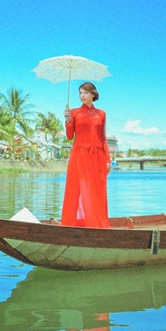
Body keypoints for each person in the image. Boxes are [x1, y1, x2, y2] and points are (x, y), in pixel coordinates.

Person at [61, 82, 111, 228]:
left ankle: (97, 222)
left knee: (96, 189)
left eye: (85, 93)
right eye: (80, 93)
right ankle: (69, 224)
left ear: (93, 94)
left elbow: (103, 137)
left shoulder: (101, 113)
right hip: (79, 154)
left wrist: (107, 159)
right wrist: (68, 121)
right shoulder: (74, 112)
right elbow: (70, 137)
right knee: (75, 187)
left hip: (97, 156)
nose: (82, 96)